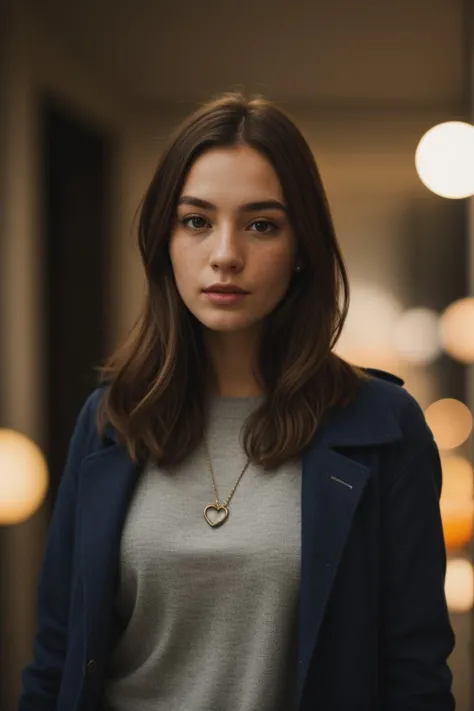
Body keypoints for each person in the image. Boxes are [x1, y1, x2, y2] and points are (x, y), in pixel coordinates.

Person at [19, 92, 455, 711]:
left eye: (261, 224)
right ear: (163, 240)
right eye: (196, 220)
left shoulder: (384, 426)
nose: (225, 254)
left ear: (302, 246)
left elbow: (415, 678)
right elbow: (55, 660)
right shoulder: (113, 418)